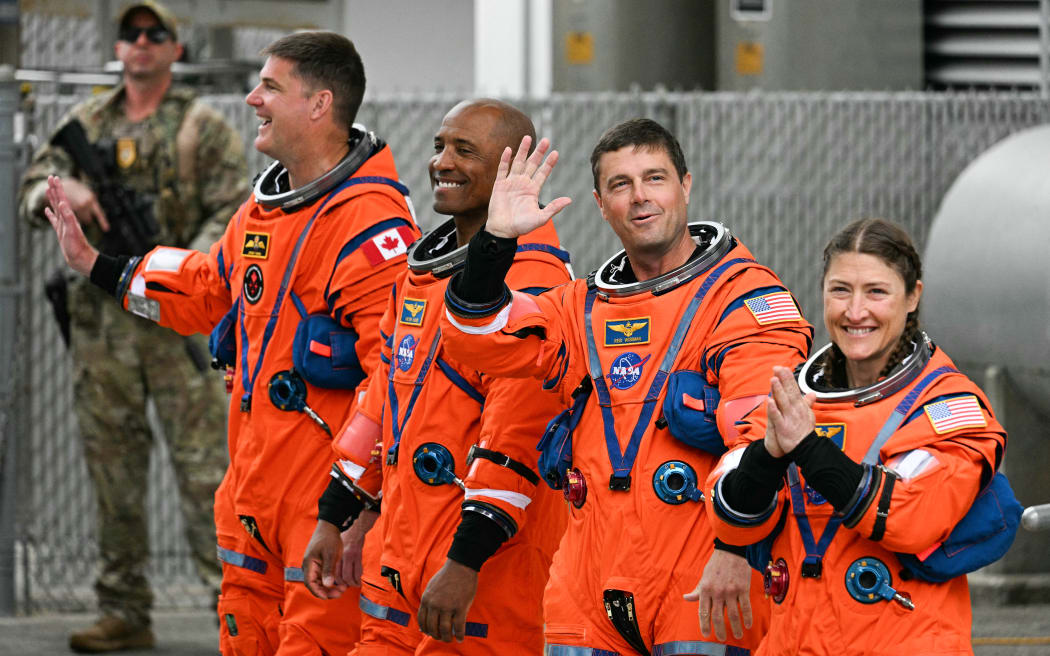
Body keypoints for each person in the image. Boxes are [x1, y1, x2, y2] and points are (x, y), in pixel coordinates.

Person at [40, 30, 420, 656]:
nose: (252, 99)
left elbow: (396, 385)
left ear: (320, 104)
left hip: (321, 508)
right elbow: (207, 287)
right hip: (253, 496)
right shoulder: (266, 209)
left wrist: (353, 505)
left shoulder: (370, 225)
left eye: (270, 86)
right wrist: (96, 264)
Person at [439, 119, 813, 655]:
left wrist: (734, 547)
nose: (640, 198)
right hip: (587, 583)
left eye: (654, 179)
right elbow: (477, 338)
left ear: (685, 185)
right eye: (621, 185)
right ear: (600, 202)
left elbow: (762, 438)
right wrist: (496, 242)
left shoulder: (743, 299)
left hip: (702, 575)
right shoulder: (581, 306)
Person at [300, 98, 573, 655]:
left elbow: (516, 438)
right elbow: (380, 402)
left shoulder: (534, 282)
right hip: (399, 558)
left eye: (463, 150)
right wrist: (336, 514)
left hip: (480, 577)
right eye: (439, 147)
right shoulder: (422, 274)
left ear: (506, 168)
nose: (442, 162)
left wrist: (464, 563)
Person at [17, 2, 247, 651]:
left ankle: (231, 606)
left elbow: (232, 216)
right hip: (105, 330)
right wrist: (66, 195)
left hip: (177, 326)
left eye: (155, 35)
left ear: (176, 49)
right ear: (119, 48)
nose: (141, 45)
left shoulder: (202, 128)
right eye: (131, 35)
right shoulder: (84, 123)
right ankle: (124, 607)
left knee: (207, 474)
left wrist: (174, 274)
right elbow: (33, 184)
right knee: (113, 472)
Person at [705, 218, 1007, 655]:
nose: (855, 311)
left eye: (876, 292)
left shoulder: (947, 406)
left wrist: (806, 447)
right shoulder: (794, 396)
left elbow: (909, 514)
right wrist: (769, 454)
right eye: (840, 290)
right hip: (793, 640)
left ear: (912, 297)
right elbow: (727, 511)